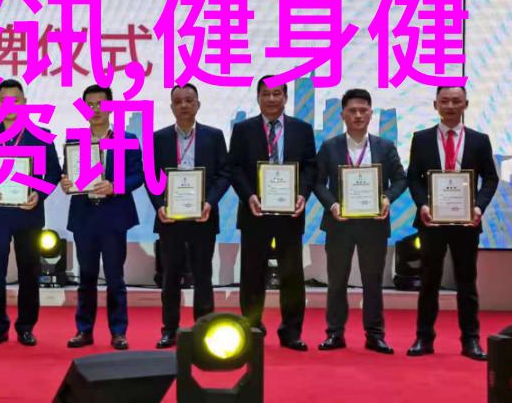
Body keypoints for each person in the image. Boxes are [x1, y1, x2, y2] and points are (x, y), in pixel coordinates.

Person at [406, 86, 499, 361]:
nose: (449, 106)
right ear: (435, 104)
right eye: (444, 101)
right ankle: (424, 338)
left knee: (466, 283)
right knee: (428, 282)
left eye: (456, 101)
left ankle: (471, 341)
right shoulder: (421, 139)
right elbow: (413, 178)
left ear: (465, 104)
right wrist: (422, 205)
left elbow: (491, 178)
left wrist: (479, 207)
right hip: (431, 222)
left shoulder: (479, 140)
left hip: (466, 223)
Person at [0, 78, 61, 346]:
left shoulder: (40, 136)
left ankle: (26, 326)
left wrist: (39, 194)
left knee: (29, 272)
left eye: (15, 100)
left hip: (28, 213)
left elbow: (53, 173)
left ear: (25, 103)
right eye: (4, 101)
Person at [311, 88, 406, 354]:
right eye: (352, 111)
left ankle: (375, 335)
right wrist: (332, 205)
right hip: (339, 223)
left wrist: (387, 198)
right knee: (336, 281)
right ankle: (335, 334)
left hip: (373, 224)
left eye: (363, 110)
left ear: (371, 114)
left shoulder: (385, 147)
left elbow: (401, 179)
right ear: (342, 115)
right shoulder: (330, 147)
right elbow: (317, 182)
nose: (358, 115)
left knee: (372, 281)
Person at [227, 75, 317, 351]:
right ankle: (252, 327)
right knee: (253, 274)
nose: (271, 99)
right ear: (258, 97)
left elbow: (310, 167)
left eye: (277, 93)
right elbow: (234, 168)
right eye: (266, 94)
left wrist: (302, 195)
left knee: (292, 275)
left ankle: (291, 331)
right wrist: (249, 196)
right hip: (255, 212)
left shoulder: (302, 129)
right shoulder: (243, 129)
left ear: (286, 97)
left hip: (290, 214)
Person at [147, 84, 232, 349]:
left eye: (189, 100)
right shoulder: (158, 138)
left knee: (203, 276)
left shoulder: (214, 136)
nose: (184, 105)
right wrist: (159, 205)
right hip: (170, 219)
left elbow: (224, 174)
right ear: (171, 107)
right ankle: (169, 330)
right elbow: (152, 177)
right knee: (170, 276)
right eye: (178, 101)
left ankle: (203, 330)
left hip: (202, 217)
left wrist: (209, 203)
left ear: (198, 104)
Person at [61, 84, 143, 351]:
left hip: (113, 217)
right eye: (90, 105)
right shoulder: (75, 141)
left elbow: (138, 175)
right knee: (86, 277)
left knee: (115, 278)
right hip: (84, 217)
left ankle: (118, 332)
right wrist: (65, 182)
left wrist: (116, 186)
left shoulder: (127, 138)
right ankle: (84, 330)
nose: (95, 109)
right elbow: (68, 173)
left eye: (101, 104)